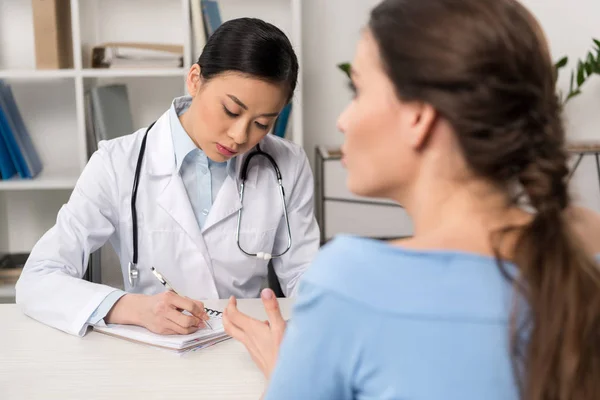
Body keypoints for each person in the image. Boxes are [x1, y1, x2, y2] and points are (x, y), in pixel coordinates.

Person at [222, 0, 600, 398]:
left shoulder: (350, 285)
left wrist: (292, 370)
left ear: (418, 116)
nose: (342, 119)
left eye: (359, 89)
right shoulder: (584, 247)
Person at [15, 18, 319, 337]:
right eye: (230, 110)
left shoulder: (287, 164)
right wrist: (129, 307)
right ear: (195, 80)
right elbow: (38, 279)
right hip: (152, 350)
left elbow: (305, 276)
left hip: (245, 344)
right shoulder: (116, 163)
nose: (239, 135)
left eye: (261, 123)